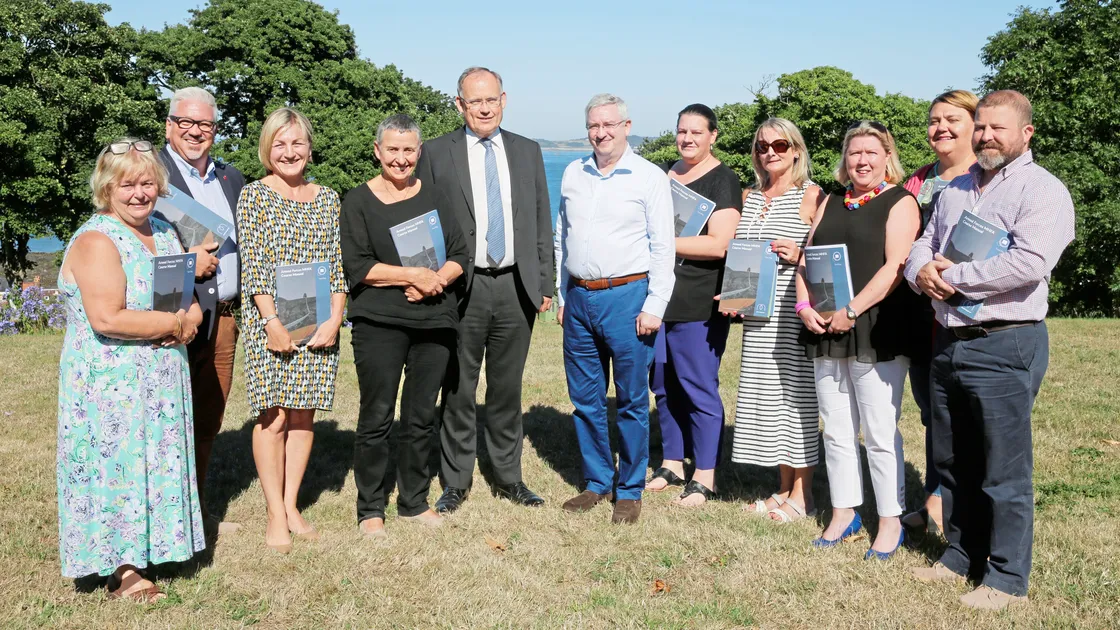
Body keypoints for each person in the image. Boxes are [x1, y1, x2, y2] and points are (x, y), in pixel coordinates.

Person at [905, 90, 1074, 611]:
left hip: (1005, 341)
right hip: (950, 340)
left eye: (998, 128)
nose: (985, 136)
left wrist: (956, 279)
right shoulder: (954, 188)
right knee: (953, 459)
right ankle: (961, 554)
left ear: (1026, 134)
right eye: (981, 127)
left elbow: (1030, 262)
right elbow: (923, 242)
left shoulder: (1043, 191)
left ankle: (1005, 577)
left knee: (1003, 469)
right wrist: (921, 273)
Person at [56, 138, 205, 601]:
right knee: (115, 466)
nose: (139, 193)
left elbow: (187, 300)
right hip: (110, 383)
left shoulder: (163, 229)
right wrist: (177, 323)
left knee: (151, 463)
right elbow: (108, 318)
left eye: (147, 182)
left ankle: (151, 548)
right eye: (127, 184)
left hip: (160, 378)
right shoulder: (96, 240)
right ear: (107, 188)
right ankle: (121, 569)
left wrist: (189, 319)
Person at [414, 67, 553, 513]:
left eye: (491, 99)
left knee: (507, 389)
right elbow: (422, 218)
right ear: (460, 105)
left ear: (504, 99)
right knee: (458, 387)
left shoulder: (528, 151)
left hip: (516, 286)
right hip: (461, 289)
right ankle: (455, 481)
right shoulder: (436, 152)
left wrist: (544, 281)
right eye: (475, 101)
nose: (485, 108)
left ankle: (509, 477)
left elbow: (540, 218)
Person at [796, 121, 920, 559]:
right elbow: (805, 260)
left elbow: (894, 268)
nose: (862, 160)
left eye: (871, 152)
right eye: (854, 153)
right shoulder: (830, 201)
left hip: (876, 328)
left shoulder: (900, 202)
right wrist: (804, 307)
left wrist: (851, 311)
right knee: (836, 427)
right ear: (844, 160)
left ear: (888, 156)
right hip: (824, 327)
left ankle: (890, 520)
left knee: (880, 429)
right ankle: (844, 512)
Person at [341, 114, 469, 537]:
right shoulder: (358, 201)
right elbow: (358, 266)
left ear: (419, 152)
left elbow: (459, 254)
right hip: (379, 322)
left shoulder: (436, 196)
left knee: (420, 417)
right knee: (377, 416)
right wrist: (413, 276)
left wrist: (438, 279)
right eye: (392, 150)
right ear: (378, 151)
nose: (400, 158)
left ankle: (413, 502)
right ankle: (370, 508)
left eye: (408, 150)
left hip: (435, 321)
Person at [555, 93, 675, 524]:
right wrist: (563, 293)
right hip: (580, 297)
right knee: (585, 399)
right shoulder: (573, 172)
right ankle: (597, 481)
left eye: (609, 124)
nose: (600, 133)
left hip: (629, 298)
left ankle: (629, 488)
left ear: (626, 126)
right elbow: (562, 237)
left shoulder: (648, 177)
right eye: (593, 126)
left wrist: (655, 304)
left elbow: (664, 246)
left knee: (629, 399)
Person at [238, 108, 347, 553]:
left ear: (309, 147)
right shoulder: (253, 197)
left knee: (304, 413)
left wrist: (336, 317)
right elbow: (255, 264)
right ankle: (273, 514)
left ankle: (291, 504)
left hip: (319, 321)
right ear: (268, 149)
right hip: (271, 321)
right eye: (280, 144)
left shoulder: (328, 198)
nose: (289, 152)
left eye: (297, 143)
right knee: (274, 414)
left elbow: (337, 263)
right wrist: (272, 323)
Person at [157, 86, 247, 535]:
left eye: (205, 124)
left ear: (215, 129)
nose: (196, 132)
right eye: (186, 123)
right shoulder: (149, 174)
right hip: (175, 314)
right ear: (170, 126)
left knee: (209, 416)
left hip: (226, 316)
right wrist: (190, 261)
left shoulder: (231, 178)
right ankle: (169, 516)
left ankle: (197, 510)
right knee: (170, 417)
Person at [729, 118, 825, 523]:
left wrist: (799, 254)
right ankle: (783, 489)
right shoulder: (749, 196)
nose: (770, 151)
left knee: (797, 400)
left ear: (797, 150)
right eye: (762, 146)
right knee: (770, 399)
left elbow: (827, 256)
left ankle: (804, 497)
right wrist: (735, 297)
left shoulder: (812, 195)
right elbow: (742, 255)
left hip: (793, 311)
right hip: (757, 314)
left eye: (780, 145)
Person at [644, 104, 741, 506]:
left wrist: (658, 243)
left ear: (713, 135)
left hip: (699, 301)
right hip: (658, 297)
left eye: (696, 133)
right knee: (663, 384)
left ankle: (705, 474)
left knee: (698, 386)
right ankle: (672, 462)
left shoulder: (723, 180)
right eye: (682, 131)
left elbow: (720, 244)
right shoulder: (665, 172)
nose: (687, 139)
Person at [899, 90, 978, 536]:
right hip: (917, 314)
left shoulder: (985, 178)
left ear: (975, 125)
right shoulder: (917, 180)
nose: (941, 128)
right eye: (934, 120)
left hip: (965, 313)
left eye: (953, 119)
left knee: (957, 415)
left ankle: (947, 504)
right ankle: (937, 496)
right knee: (933, 411)